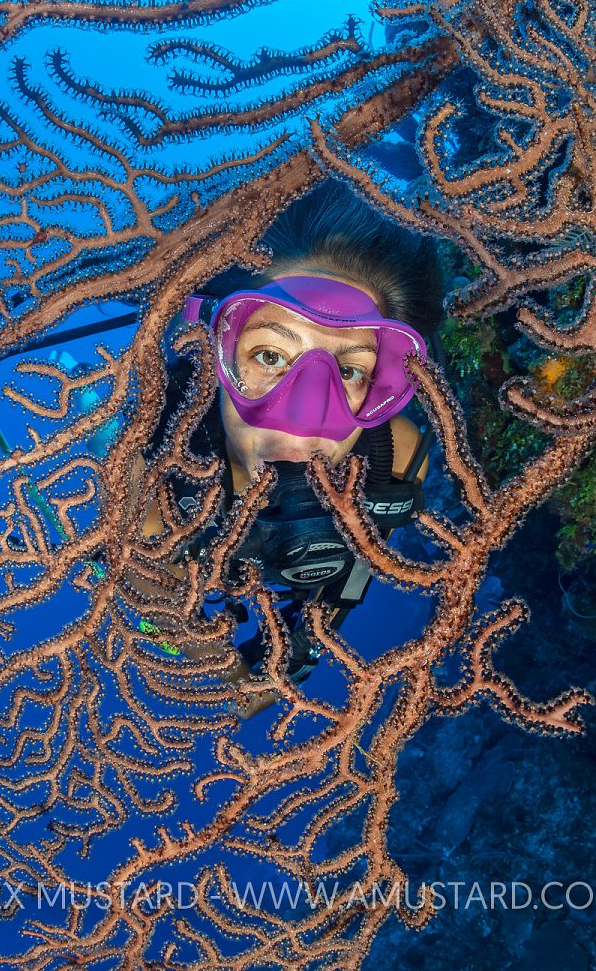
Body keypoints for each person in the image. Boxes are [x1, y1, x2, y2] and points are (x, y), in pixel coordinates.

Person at [126, 179, 444, 717]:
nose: (306, 416)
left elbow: (350, 576)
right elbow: (156, 600)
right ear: (215, 354)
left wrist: (299, 654)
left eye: (350, 371)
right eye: (270, 356)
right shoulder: (150, 471)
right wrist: (234, 678)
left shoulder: (399, 456)